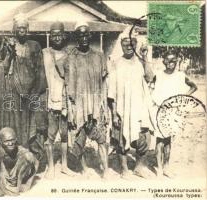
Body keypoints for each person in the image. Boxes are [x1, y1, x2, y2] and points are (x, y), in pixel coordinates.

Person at [108, 27, 155, 179]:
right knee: (120, 139)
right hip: (122, 108)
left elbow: (149, 77)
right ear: (121, 44)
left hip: (140, 108)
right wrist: (114, 113)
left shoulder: (141, 62)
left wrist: (145, 56)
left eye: (132, 43)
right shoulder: (116, 63)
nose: (129, 46)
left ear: (136, 44)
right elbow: (112, 91)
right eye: (126, 43)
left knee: (144, 139)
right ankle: (124, 169)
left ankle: (139, 167)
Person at [65, 21, 109, 177]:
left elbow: (104, 82)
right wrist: (70, 109)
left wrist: (104, 104)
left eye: (86, 34)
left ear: (90, 36)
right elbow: (67, 86)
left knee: (102, 138)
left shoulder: (99, 55)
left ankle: (105, 171)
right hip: (79, 105)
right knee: (79, 139)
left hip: (96, 104)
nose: (83, 37)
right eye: (80, 34)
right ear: (76, 37)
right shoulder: (71, 57)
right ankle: (83, 169)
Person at [0, 14, 47, 159]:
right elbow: (4, 68)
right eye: (19, 27)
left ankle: (31, 157)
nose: (22, 30)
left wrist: (37, 92)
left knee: (33, 125)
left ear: (28, 29)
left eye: (24, 28)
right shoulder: (8, 45)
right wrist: (9, 52)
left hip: (32, 93)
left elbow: (40, 70)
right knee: (15, 124)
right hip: (14, 92)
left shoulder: (34, 46)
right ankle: (16, 155)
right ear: (14, 29)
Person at [151, 50, 197, 177]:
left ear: (177, 62)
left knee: (168, 141)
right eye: (168, 60)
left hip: (174, 112)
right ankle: (159, 169)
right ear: (163, 61)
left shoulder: (180, 76)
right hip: (160, 111)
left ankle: (166, 167)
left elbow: (193, 86)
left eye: (174, 61)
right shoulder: (158, 75)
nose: (171, 63)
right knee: (160, 140)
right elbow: (149, 86)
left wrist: (183, 97)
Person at [42, 21, 76, 178]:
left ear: (64, 36)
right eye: (53, 34)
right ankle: (50, 167)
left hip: (65, 101)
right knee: (49, 135)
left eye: (59, 34)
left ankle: (64, 165)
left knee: (64, 134)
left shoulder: (70, 54)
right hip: (49, 99)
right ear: (50, 35)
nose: (56, 37)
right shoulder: (44, 53)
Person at [0, 127, 39, 196]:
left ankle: (15, 184)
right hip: (0, 180)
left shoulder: (20, 150)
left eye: (12, 140)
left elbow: (36, 163)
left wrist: (28, 184)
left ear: (16, 139)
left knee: (28, 156)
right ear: (1, 142)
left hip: (16, 180)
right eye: (7, 141)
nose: (10, 143)